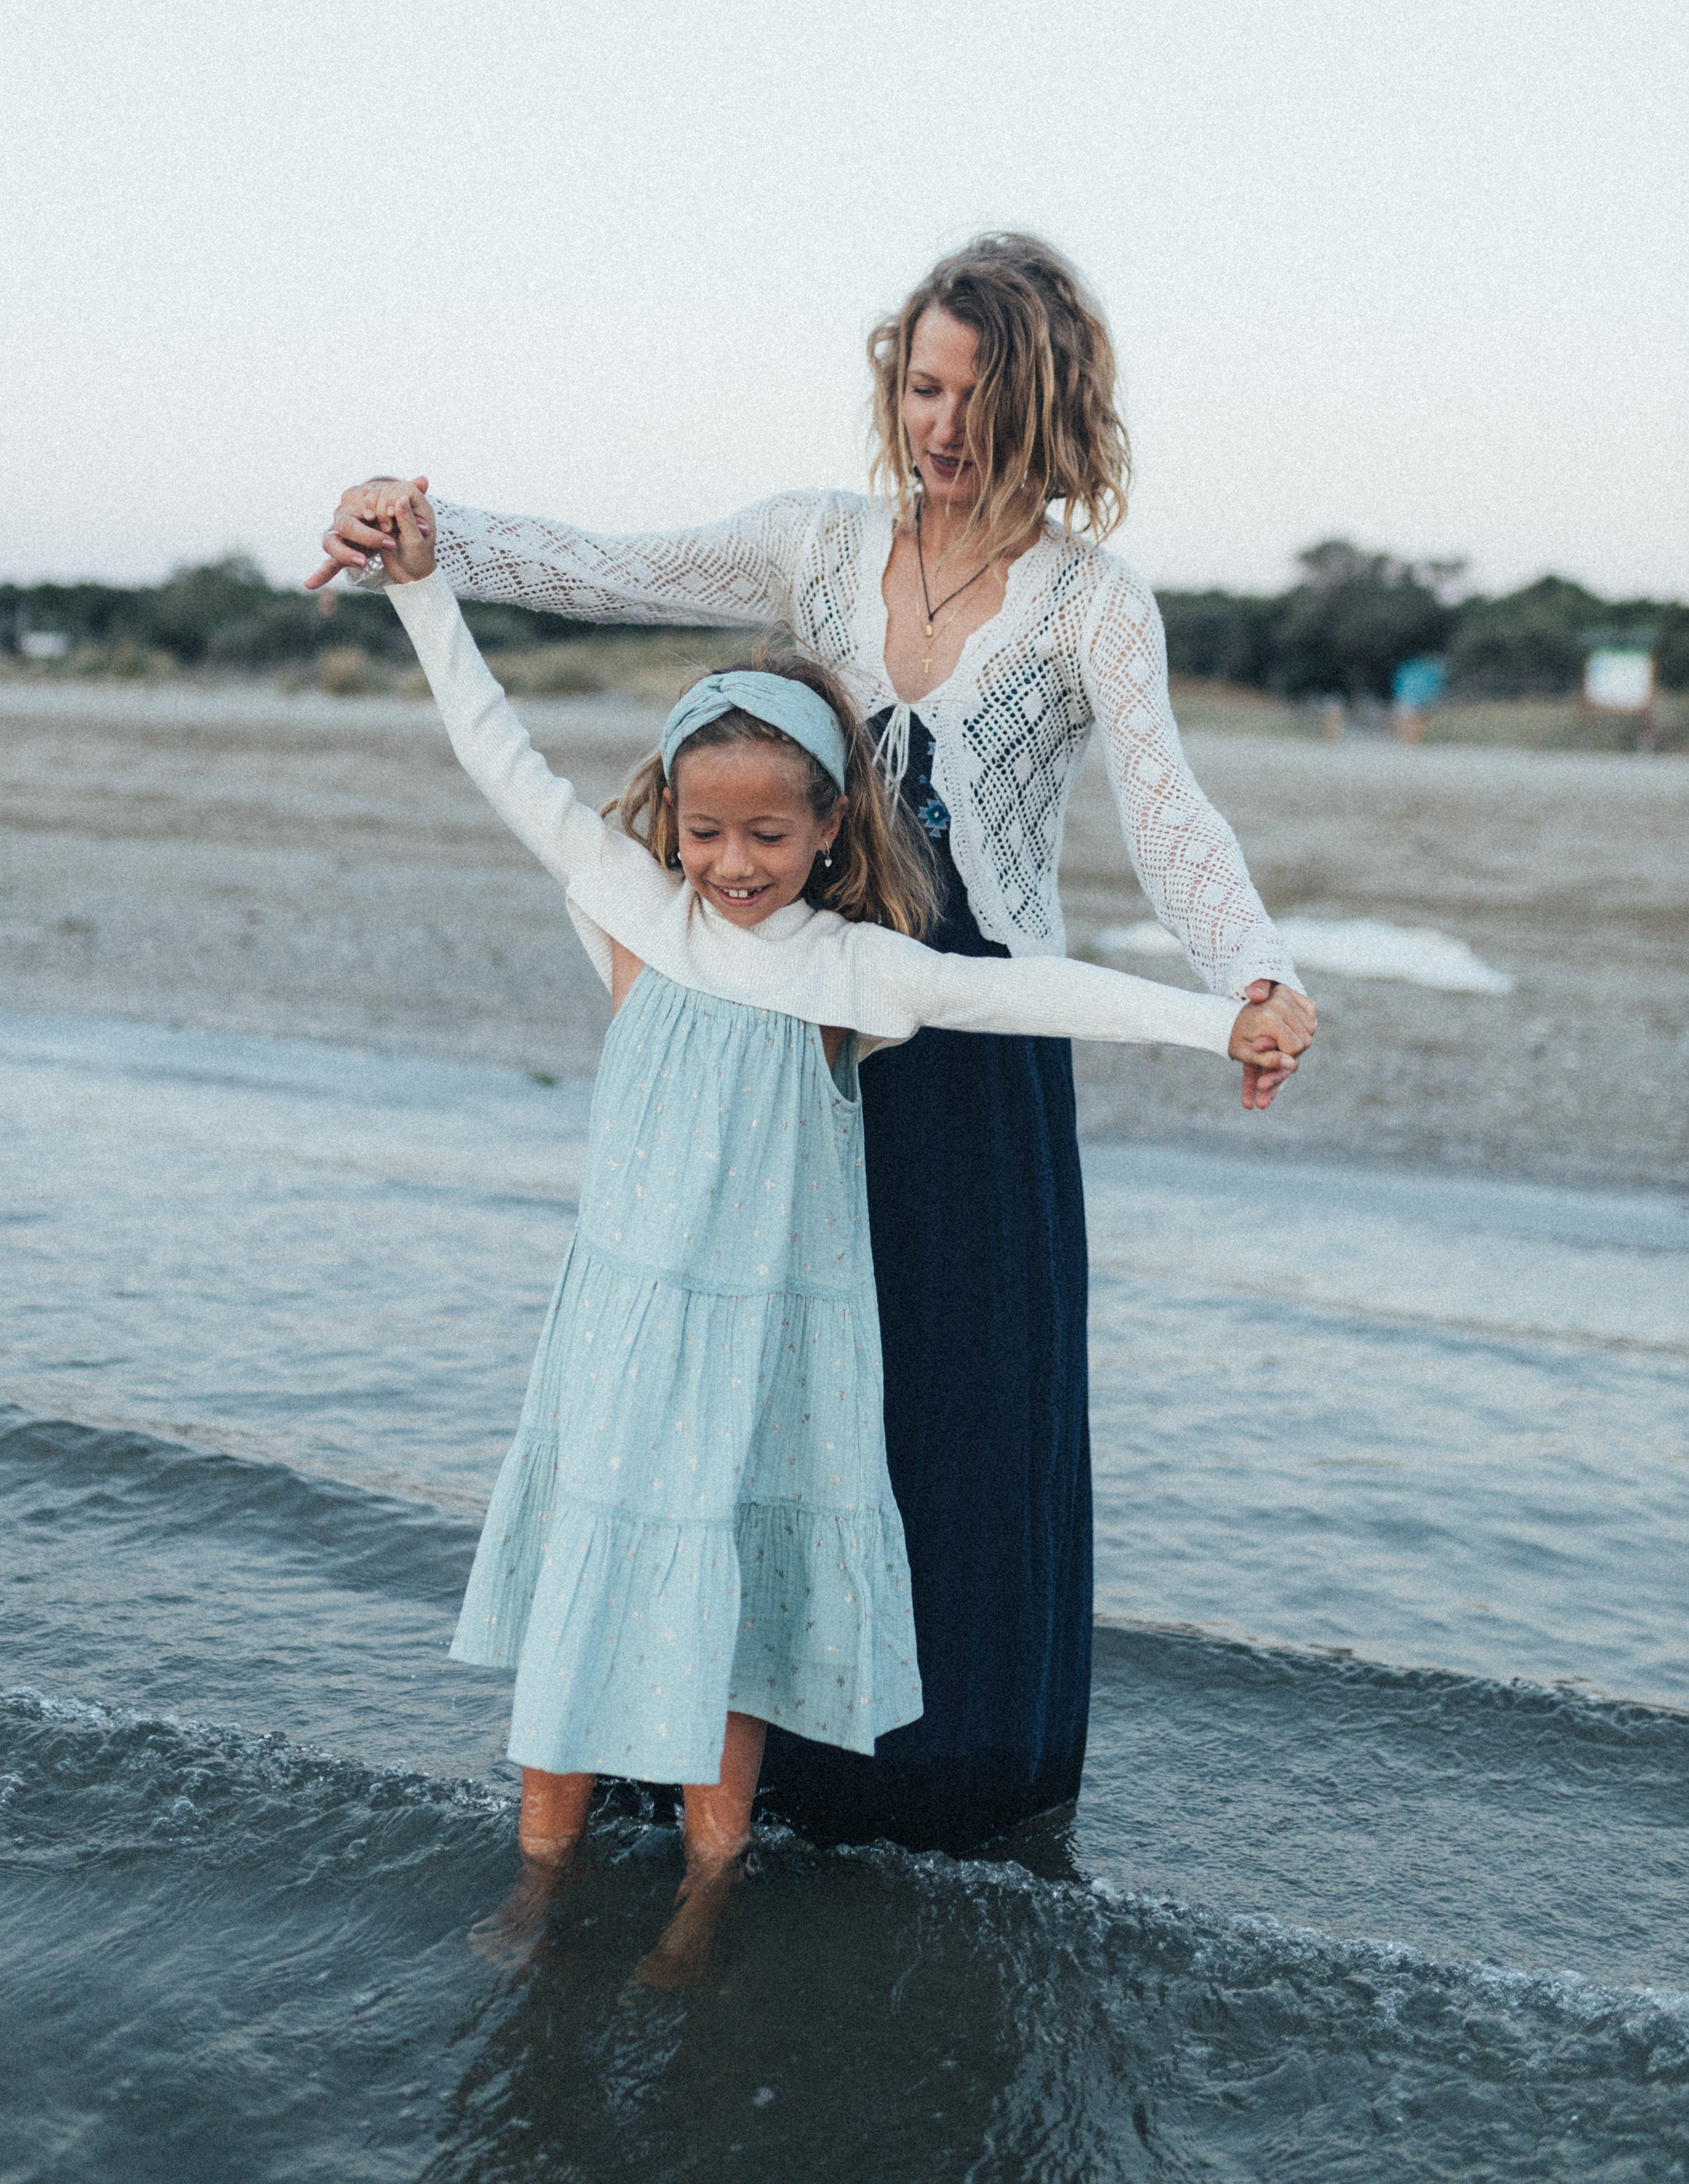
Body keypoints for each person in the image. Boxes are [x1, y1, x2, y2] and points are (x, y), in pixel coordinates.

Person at [312, 232, 1317, 1853]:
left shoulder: (1088, 607)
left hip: (971, 1046)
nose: (939, 423)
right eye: (920, 385)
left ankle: (934, 1785)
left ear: (1048, 403)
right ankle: (690, 1752)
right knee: (751, 1384)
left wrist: (1249, 977)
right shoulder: (811, 544)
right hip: (791, 1013)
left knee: (953, 1406)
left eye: (977, 395)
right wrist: (424, 539)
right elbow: (602, 567)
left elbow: (1170, 812)